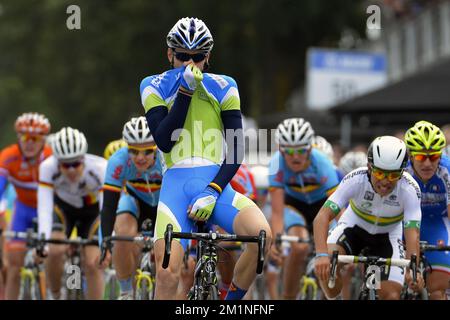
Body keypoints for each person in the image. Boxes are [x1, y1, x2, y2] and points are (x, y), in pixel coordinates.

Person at [140, 17, 272, 300]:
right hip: (175, 189)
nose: (190, 64)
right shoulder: (153, 85)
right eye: (183, 56)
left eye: (198, 57)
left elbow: (236, 150)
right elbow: (165, 140)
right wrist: (185, 91)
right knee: (166, 273)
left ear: (208, 56)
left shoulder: (225, 85)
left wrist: (212, 190)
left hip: (216, 186)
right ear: (169, 54)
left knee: (262, 235)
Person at [313, 136, 424, 300]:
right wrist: (321, 255)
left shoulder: (409, 189)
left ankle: (373, 285)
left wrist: (413, 270)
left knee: (390, 296)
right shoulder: (355, 179)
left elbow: (412, 233)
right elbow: (322, 217)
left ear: (402, 173)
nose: (385, 182)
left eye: (393, 176)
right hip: (353, 229)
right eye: (379, 173)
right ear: (369, 168)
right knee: (329, 273)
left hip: (386, 238)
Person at [268, 118, 340, 299]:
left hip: (322, 207)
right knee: (299, 247)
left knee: (331, 249)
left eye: (300, 150)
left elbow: (338, 207)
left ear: (310, 148)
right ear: (280, 150)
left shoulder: (323, 163)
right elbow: (277, 212)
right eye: (289, 151)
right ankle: (288, 296)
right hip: (294, 206)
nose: (295, 156)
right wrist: (277, 241)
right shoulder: (275, 164)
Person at [37, 127, 106, 300]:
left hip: (92, 213)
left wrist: (106, 240)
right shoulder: (47, 167)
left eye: (76, 163)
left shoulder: (100, 168)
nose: (71, 169)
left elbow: (106, 208)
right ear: (57, 162)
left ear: (84, 158)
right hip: (64, 210)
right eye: (65, 165)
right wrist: (43, 243)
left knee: (93, 262)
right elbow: (45, 206)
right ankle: (55, 295)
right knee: (54, 251)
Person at [98, 117, 163, 300]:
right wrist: (105, 242)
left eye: (147, 151)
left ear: (156, 147)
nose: (140, 157)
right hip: (135, 202)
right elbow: (109, 206)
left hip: (162, 204)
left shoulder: (166, 158)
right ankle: (126, 292)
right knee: (123, 232)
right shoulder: (118, 161)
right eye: (134, 151)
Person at [0, 112, 52, 300]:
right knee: (13, 265)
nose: (29, 142)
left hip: (49, 211)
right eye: (24, 137)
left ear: (43, 140)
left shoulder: (50, 156)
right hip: (22, 211)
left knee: (53, 257)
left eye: (35, 138)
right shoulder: (8, 156)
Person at [404, 120, 450, 300]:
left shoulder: (447, 171)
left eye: (434, 156)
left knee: (437, 291)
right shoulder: (401, 169)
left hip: (436, 225)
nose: (428, 163)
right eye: (422, 157)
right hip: (403, 224)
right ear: (410, 155)